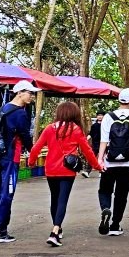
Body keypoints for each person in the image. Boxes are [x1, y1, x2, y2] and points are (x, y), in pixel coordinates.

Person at [27, 101, 101, 247]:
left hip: (51, 169)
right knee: (62, 200)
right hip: (67, 170)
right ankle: (55, 232)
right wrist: (97, 166)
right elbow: (87, 151)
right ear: (74, 114)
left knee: (54, 199)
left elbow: (36, 148)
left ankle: (58, 227)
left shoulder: (49, 128)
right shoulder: (76, 130)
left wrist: (31, 162)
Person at [0, 81, 39, 244]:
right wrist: (33, 151)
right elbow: (25, 136)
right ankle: (0, 231)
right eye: (29, 93)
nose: (32, 96)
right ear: (19, 93)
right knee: (7, 193)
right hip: (11, 157)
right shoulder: (20, 113)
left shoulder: (3, 109)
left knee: (1, 191)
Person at [96, 88, 129, 236]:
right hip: (128, 163)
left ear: (119, 100)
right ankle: (115, 225)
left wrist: (100, 159)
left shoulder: (108, 117)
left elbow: (104, 141)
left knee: (105, 190)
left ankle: (106, 208)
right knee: (121, 194)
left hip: (110, 162)